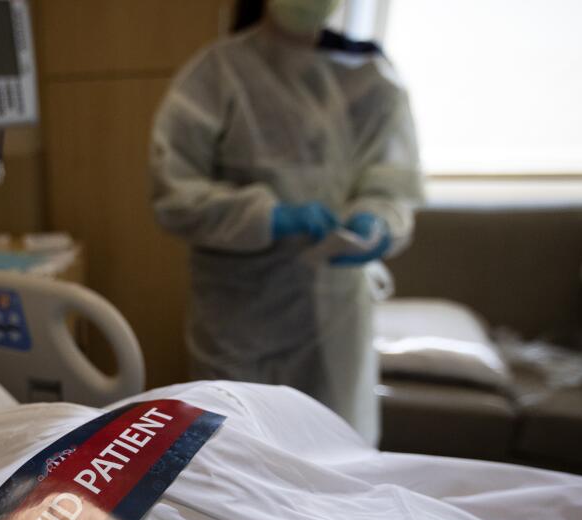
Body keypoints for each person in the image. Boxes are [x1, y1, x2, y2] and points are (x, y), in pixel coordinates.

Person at [149, 0, 422, 443]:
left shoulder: (369, 76)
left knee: (337, 453)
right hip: (240, 313)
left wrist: (377, 220)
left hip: (335, 313)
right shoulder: (216, 74)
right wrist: (269, 216)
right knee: (242, 451)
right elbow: (173, 194)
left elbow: (392, 183)